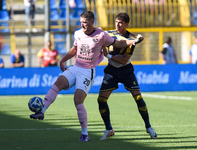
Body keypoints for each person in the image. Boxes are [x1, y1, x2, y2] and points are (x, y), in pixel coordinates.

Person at [29, 11, 142, 142]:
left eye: (85, 23)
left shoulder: (101, 35)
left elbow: (119, 44)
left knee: (78, 100)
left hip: (88, 71)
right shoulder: (78, 33)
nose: (83, 25)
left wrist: (134, 41)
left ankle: (84, 134)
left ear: (92, 22)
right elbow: (75, 49)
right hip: (76, 67)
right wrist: (63, 60)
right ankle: (42, 111)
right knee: (59, 82)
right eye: (81, 22)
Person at [97, 12, 157, 140]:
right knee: (101, 99)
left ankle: (148, 127)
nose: (117, 25)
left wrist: (107, 55)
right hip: (112, 71)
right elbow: (101, 40)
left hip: (126, 71)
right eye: (116, 22)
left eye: (120, 23)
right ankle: (108, 129)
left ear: (126, 24)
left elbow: (124, 60)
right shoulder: (110, 34)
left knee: (138, 97)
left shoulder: (131, 38)